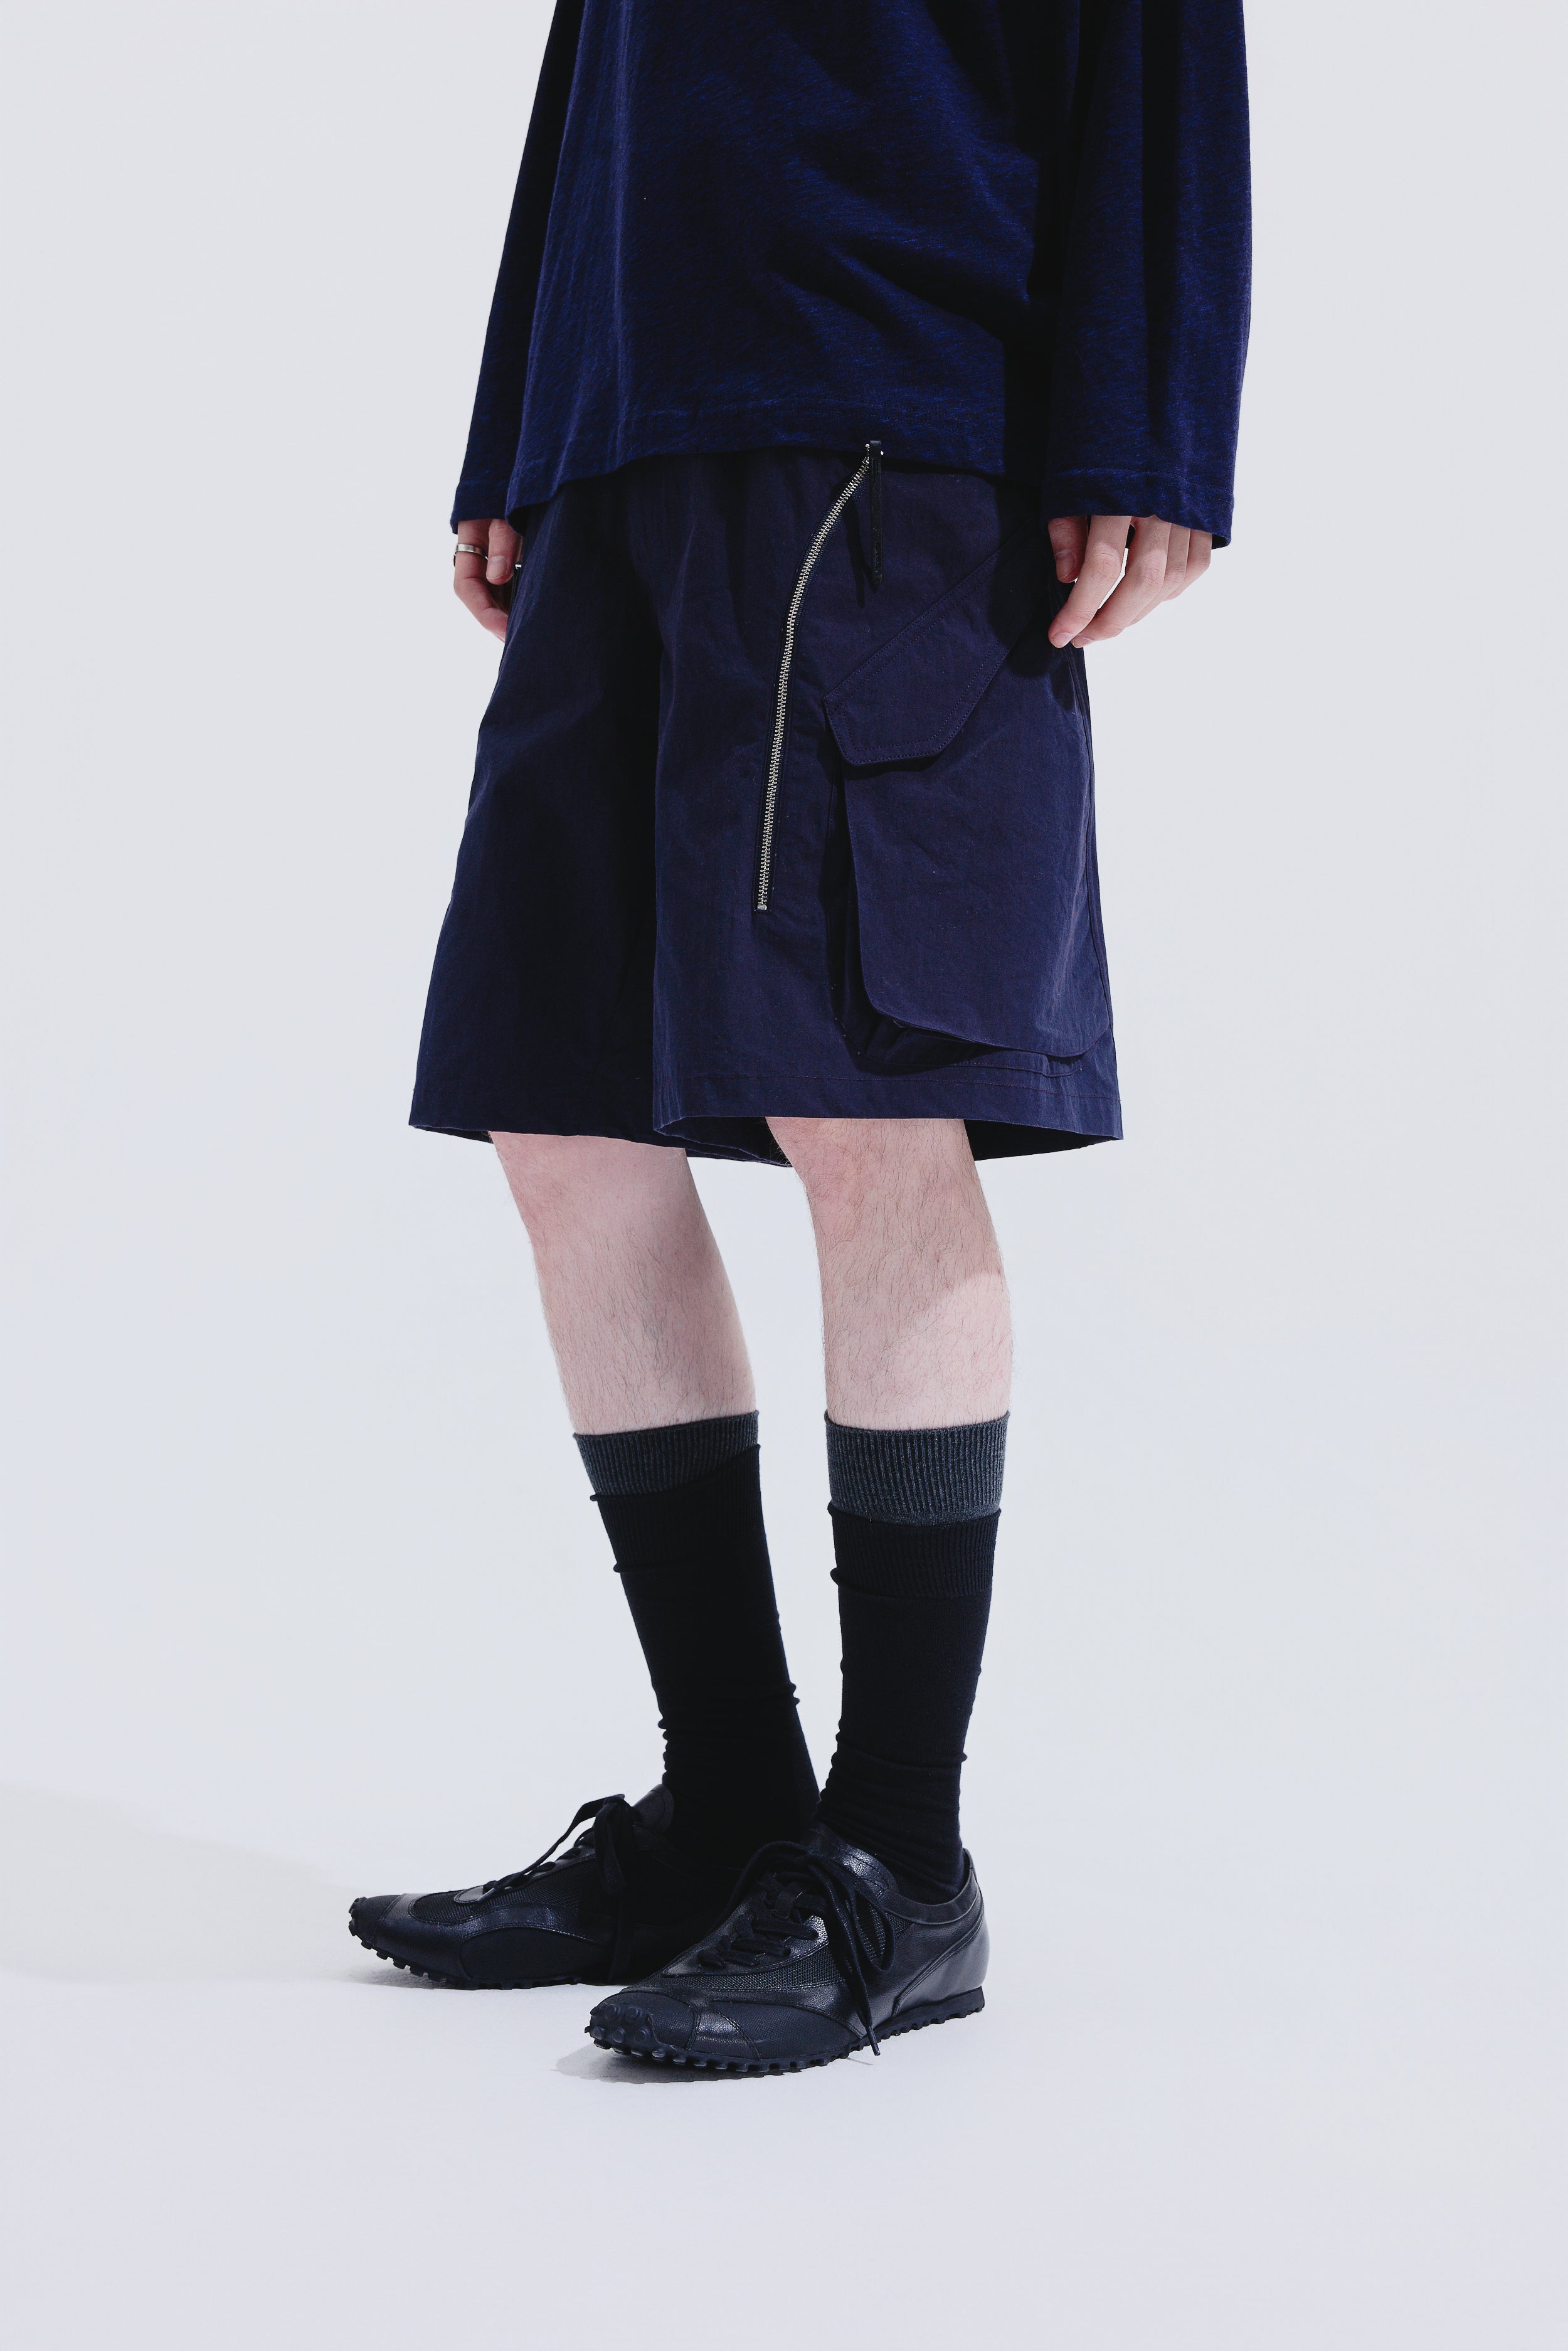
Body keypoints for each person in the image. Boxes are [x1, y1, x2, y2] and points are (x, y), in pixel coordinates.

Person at [349, 0, 1250, 2074]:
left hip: (894, 416)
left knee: (866, 1107)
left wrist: (1152, 431)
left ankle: (900, 1862)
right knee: (561, 1116)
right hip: (621, 425)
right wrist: (518, 419)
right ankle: (732, 1805)